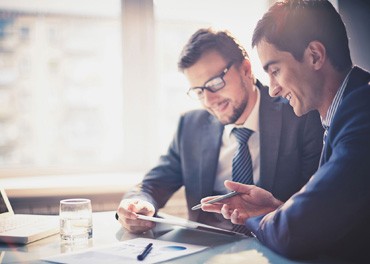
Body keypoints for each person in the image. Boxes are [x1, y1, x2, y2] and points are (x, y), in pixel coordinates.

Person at [201, 0, 370, 262]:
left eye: (275, 71)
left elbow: (293, 233)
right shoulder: (344, 113)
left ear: (315, 55)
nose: (272, 89)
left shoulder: (362, 116)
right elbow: (329, 218)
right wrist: (275, 208)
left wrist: (257, 216)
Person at [116, 28, 323, 235]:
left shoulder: (300, 115)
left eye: (215, 83)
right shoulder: (190, 126)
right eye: (199, 91)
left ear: (245, 69)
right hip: (204, 251)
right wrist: (136, 204)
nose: (208, 100)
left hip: (272, 246)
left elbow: (315, 208)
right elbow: (152, 185)